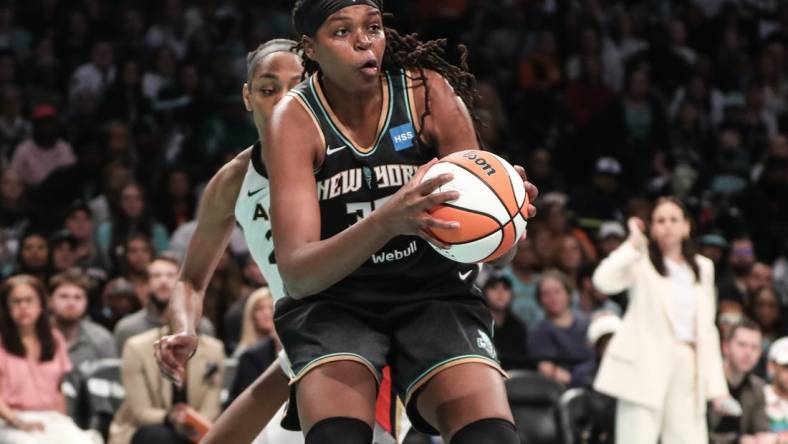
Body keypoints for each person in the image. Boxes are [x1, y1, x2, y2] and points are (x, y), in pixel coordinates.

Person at [262, 1, 537, 443]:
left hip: (433, 293)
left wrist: (508, 218)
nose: (363, 42)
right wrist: (389, 220)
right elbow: (297, 274)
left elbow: (501, 256)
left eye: (373, 28)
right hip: (337, 300)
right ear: (310, 49)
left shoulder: (428, 94)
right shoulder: (294, 120)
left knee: (492, 437)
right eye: (342, 32)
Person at [154, 39, 411, 444]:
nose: (282, 100)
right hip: (304, 340)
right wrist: (185, 329)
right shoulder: (232, 182)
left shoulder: (357, 156)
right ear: (247, 96)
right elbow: (189, 281)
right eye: (267, 89)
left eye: (297, 86)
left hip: (371, 337)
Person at [592, 197, 735, 443]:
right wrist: (633, 243)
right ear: (652, 227)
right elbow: (603, 281)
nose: (667, 226)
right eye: (660, 220)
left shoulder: (703, 267)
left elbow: (707, 332)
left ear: (686, 226)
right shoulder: (640, 258)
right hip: (644, 363)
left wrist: (718, 391)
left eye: (673, 219)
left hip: (688, 365)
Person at [0, 275, 98, 444]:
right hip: (9, 420)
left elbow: (59, 389)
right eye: (16, 301)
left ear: (41, 305)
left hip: (50, 418)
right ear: (7, 308)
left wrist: (62, 422)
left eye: (29, 300)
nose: (23, 306)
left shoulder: (54, 339)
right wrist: (17, 422)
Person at [108, 323, 224, 444]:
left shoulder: (214, 349)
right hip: (146, 428)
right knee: (159, 437)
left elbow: (211, 410)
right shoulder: (136, 347)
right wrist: (171, 417)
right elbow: (140, 412)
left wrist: (191, 422)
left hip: (195, 432)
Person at [114, 253, 214, 352]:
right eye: (156, 275)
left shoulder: (201, 327)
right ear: (147, 284)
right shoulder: (126, 329)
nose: (163, 280)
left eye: (170, 275)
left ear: (181, 283)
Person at [709, 320, 774, 444]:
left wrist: (768, 438)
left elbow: (761, 429)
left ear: (760, 353)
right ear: (726, 347)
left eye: (754, 347)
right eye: (742, 345)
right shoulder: (706, 381)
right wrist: (737, 441)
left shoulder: (757, 386)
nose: (748, 353)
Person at [48, 269, 116, 373]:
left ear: (86, 302)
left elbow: (111, 380)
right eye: (64, 296)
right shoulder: (35, 336)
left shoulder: (102, 339)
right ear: (50, 301)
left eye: (78, 297)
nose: (71, 303)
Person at [482, 275, 528, 370]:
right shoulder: (477, 324)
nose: (500, 293)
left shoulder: (519, 327)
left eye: (505, 289)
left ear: (512, 295)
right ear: (484, 293)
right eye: (494, 288)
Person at [233, 287, 277, 359]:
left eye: (271, 308)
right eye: (260, 309)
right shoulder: (243, 353)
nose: (267, 313)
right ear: (251, 314)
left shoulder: (281, 349)